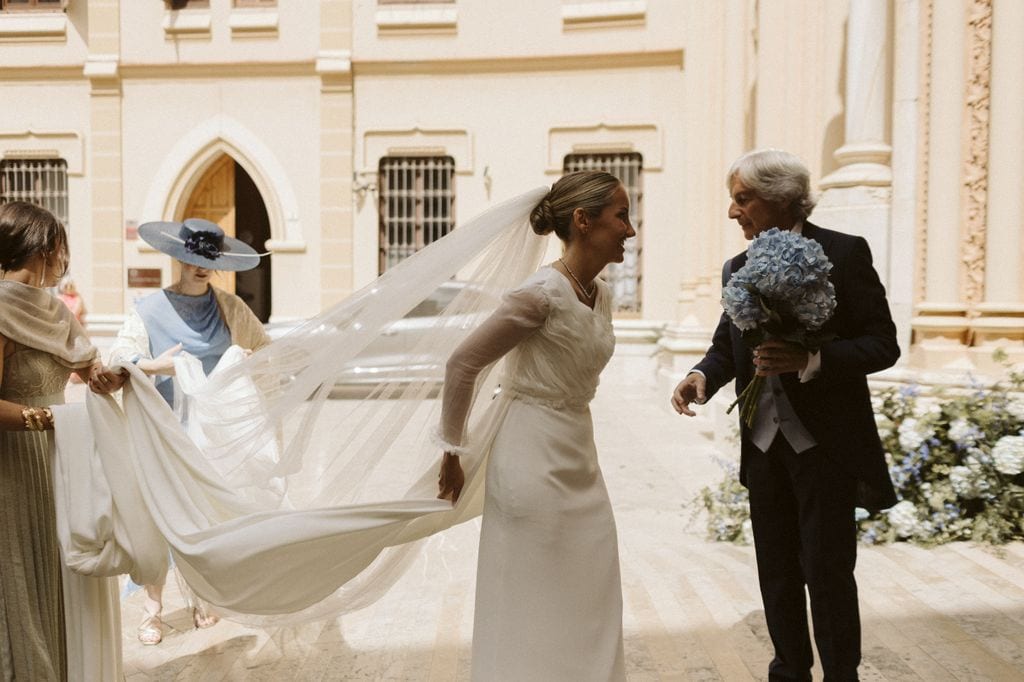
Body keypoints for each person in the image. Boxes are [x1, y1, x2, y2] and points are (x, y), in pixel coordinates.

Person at [671, 149, 899, 681]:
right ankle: (788, 671)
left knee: (827, 572)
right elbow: (726, 347)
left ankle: (841, 675)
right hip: (764, 448)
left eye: (742, 199)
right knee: (775, 573)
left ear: (782, 198)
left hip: (825, 447)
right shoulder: (736, 268)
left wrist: (811, 360)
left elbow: (883, 344)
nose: (733, 211)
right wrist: (702, 376)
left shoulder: (844, 253)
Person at [437, 170, 635, 681]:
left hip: (579, 454)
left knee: (590, 588)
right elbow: (462, 364)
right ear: (583, 220)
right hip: (529, 456)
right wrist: (452, 451)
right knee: (534, 595)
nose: (630, 230)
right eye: (621, 216)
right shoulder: (539, 294)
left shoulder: (601, 294)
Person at [108, 217, 269, 645]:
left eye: (208, 261)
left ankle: (202, 596)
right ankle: (153, 610)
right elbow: (119, 356)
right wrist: (154, 365)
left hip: (213, 435)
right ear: (178, 258)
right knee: (158, 517)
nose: (200, 267)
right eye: (192, 259)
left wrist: (245, 362)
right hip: (164, 431)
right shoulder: (148, 309)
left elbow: (265, 353)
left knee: (204, 518)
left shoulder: (231, 308)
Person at [0, 201, 125, 680]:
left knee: (59, 573)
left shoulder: (54, 310)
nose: (64, 258)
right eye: (60, 247)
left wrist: (111, 379)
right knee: (21, 575)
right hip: (12, 466)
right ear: (43, 248)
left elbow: (88, 370)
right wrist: (49, 420)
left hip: (59, 464)